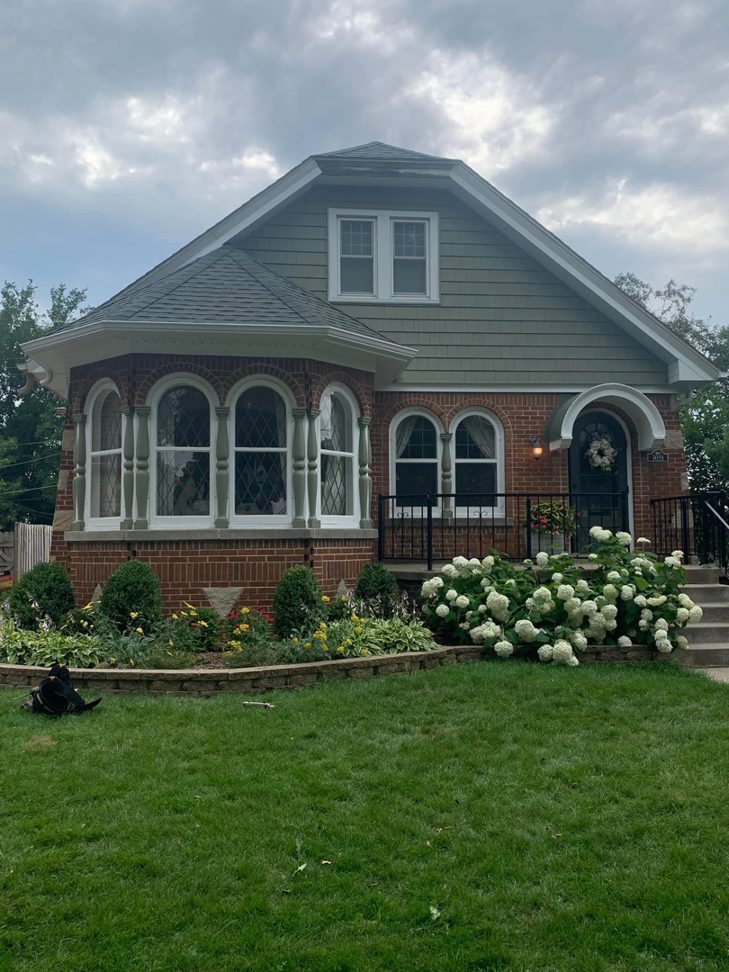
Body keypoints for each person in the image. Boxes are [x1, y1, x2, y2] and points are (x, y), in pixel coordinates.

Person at [22, 662, 101, 715]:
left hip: (43, 698)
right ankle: (62, 687)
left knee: (43, 690)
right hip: (56, 706)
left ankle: (50, 686)